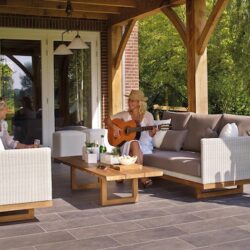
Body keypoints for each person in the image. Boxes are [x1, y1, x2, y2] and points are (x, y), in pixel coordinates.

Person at [105, 89, 156, 187]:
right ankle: (143, 177)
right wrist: (114, 127)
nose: (129, 102)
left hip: (145, 146)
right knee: (134, 143)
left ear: (139, 103)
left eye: (132, 100)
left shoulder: (148, 115)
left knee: (135, 149)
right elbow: (107, 119)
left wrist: (153, 132)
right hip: (127, 144)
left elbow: (151, 134)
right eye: (129, 100)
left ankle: (121, 175)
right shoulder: (124, 114)